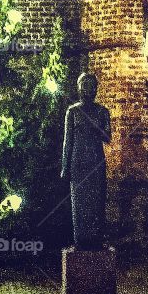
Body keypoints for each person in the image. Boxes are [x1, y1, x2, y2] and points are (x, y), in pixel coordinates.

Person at [61, 72, 112, 249]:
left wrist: (96, 127)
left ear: (96, 89)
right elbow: (68, 141)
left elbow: (107, 137)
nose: (88, 90)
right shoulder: (72, 112)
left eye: (91, 86)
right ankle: (81, 240)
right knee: (79, 202)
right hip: (78, 162)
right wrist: (64, 166)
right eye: (85, 86)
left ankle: (96, 239)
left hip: (96, 161)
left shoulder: (102, 111)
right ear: (79, 88)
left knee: (97, 201)